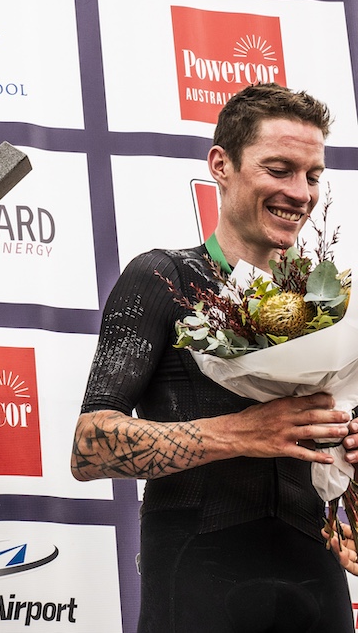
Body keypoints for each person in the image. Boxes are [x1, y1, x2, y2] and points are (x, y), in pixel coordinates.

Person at [70, 83, 354, 632]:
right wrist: (243, 432)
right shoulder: (163, 278)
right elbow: (88, 448)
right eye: (278, 169)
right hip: (197, 570)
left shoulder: (336, 304)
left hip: (316, 575)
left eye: (312, 175)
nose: (300, 192)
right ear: (221, 165)